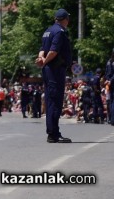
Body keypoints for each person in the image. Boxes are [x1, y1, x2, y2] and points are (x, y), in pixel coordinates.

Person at [35, 8, 72, 143]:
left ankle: (52, 132)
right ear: (65, 19)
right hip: (55, 70)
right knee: (55, 101)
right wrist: (45, 60)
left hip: (48, 69)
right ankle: (53, 134)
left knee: (51, 100)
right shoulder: (60, 32)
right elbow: (53, 51)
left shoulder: (47, 31)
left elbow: (42, 50)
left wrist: (41, 59)